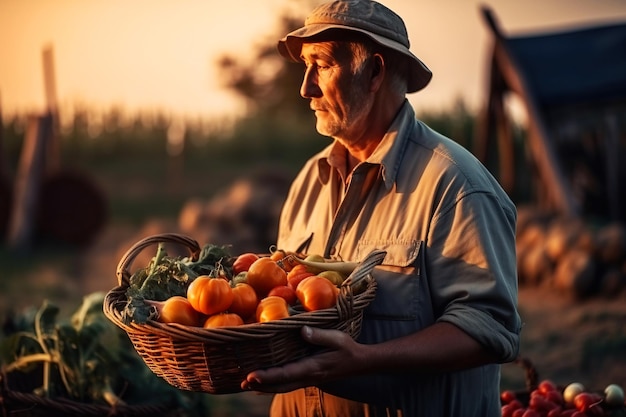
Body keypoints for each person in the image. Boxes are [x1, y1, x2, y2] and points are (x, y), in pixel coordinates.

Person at [241, 1, 522, 416]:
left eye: (320, 64)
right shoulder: (308, 181)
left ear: (373, 72)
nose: (306, 87)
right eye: (305, 66)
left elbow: (490, 329)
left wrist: (367, 359)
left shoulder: (455, 184)